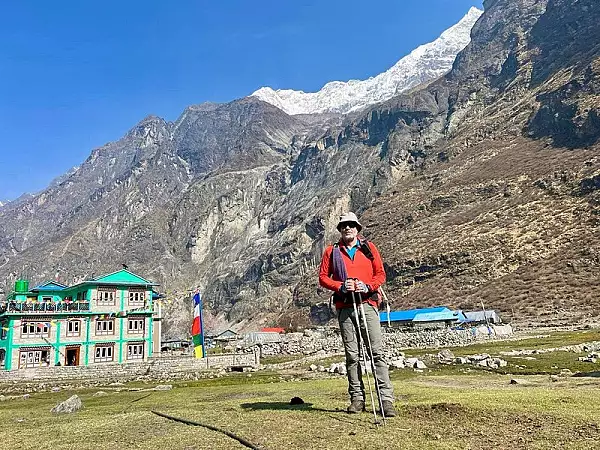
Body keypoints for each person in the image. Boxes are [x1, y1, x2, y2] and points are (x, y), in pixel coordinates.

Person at [319, 212, 396, 417]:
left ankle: (385, 400)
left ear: (357, 228)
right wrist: (341, 286)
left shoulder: (369, 249)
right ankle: (357, 399)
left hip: (368, 303)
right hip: (345, 307)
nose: (347, 228)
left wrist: (367, 285)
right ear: (340, 229)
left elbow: (380, 274)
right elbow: (323, 278)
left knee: (376, 353)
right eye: (344, 225)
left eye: (351, 225)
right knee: (352, 355)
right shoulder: (331, 252)